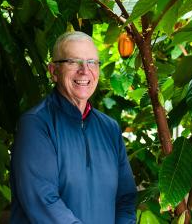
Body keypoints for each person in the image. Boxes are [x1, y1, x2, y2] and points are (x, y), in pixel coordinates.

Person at [10, 31, 137, 224]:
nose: (85, 70)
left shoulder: (109, 128)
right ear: (53, 71)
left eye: (92, 62)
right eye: (73, 62)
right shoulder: (36, 124)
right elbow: (43, 201)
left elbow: (125, 199)